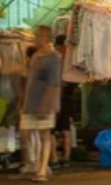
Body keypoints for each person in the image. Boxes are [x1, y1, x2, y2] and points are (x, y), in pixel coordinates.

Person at [20, 25, 62, 182]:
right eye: (36, 35)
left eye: (39, 36)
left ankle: (42, 170)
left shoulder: (54, 57)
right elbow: (28, 80)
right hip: (31, 102)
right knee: (25, 133)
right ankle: (35, 164)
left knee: (44, 135)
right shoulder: (36, 56)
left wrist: (47, 104)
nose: (36, 38)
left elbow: (54, 83)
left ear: (47, 38)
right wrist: (23, 100)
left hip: (46, 102)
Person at [50, 35, 75, 169]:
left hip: (57, 97)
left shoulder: (55, 60)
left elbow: (57, 83)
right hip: (69, 97)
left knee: (51, 130)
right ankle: (67, 157)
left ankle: (54, 158)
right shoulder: (70, 60)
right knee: (66, 128)